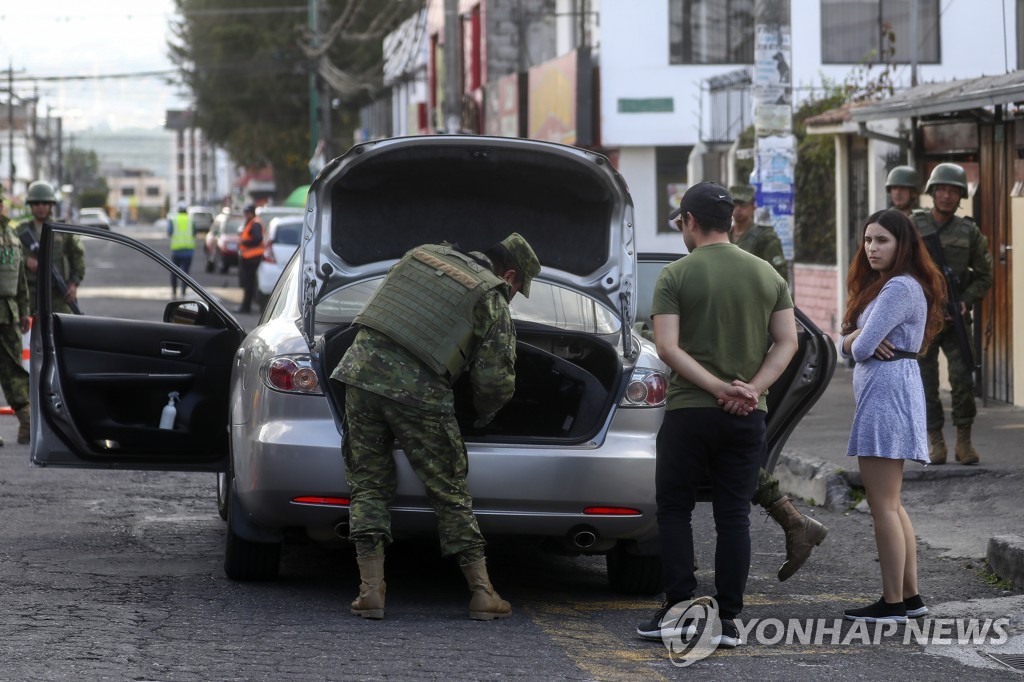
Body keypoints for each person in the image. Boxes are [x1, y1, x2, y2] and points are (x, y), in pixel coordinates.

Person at [331, 233, 541, 621]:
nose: (511, 294)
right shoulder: (492, 298)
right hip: (419, 394)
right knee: (448, 490)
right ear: (509, 275)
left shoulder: (421, 257)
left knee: (367, 483)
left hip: (358, 375)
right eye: (516, 289)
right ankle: (482, 593)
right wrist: (481, 415)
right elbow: (494, 382)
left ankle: (370, 591)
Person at [637, 182, 798, 649]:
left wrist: (714, 388)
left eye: (681, 223)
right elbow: (788, 341)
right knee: (733, 518)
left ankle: (678, 610)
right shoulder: (768, 273)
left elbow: (666, 347)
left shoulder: (675, 275)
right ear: (730, 221)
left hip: (690, 412)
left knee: (674, 511)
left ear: (689, 220)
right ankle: (727, 621)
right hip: (747, 417)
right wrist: (752, 389)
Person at [839, 209, 946, 622]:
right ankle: (910, 598)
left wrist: (854, 340)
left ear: (903, 244)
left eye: (881, 240)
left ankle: (893, 603)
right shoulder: (887, 286)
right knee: (891, 503)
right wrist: (854, 339)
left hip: (887, 393)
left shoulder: (900, 287)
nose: (871, 248)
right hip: (888, 389)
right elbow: (850, 341)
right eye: (868, 240)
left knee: (882, 504)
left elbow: (860, 348)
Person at [912, 163, 993, 465]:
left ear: (961, 196)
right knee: (925, 382)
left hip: (955, 318)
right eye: (941, 189)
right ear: (932, 192)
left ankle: (964, 442)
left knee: (962, 380)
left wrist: (966, 300)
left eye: (953, 190)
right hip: (922, 319)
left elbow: (985, 276)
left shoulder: (969, 231)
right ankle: (935, 442)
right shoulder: (913, 226)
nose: (946, 195)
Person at [17, 180, 86, 316]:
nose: (41, 207)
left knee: (64, 330)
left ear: (51, 205)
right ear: (30, 205)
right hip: (29, 294)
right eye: (36, 203)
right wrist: (26, 261)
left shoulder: (62, 229)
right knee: (27, 334)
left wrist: (74, 284)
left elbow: (77, 256)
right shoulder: (21, 230)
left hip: (58, 294)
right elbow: (9, 256)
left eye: (45, 203)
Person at [0, 184, 31, 446]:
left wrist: (24, 311)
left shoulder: (11, 234)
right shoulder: (11, 234)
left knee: (14, 369)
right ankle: (27, 424)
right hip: (9, 311)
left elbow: (19, 279)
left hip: (8, 311)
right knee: (14, 369)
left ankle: (27, 424)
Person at [728, 184, 788, 281]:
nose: (738, 209)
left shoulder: (765, 238)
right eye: (734, 205)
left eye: (743, 204)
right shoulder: (723, 236)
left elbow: (779, 278)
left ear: (753, 207)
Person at [235, 204, 263, 313]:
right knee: (248, 283)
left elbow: (258, 239)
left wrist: (244, 242)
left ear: (252, 212)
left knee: (249, 283)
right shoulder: (251, 222)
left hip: (252, 258)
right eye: (245, 213)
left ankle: (246, 307)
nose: (246, 215)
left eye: (247, 213)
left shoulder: (255, 223)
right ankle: (245, 306)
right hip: (248, 257)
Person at [168, 203, 196, 297]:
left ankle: (174, 291)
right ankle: (183, 291)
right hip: (188, 250)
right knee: (185, 272)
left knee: (174, 272)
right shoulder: (191, 220)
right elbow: (194, 232)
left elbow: (169, 232)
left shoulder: (173, 219)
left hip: (176, 250)